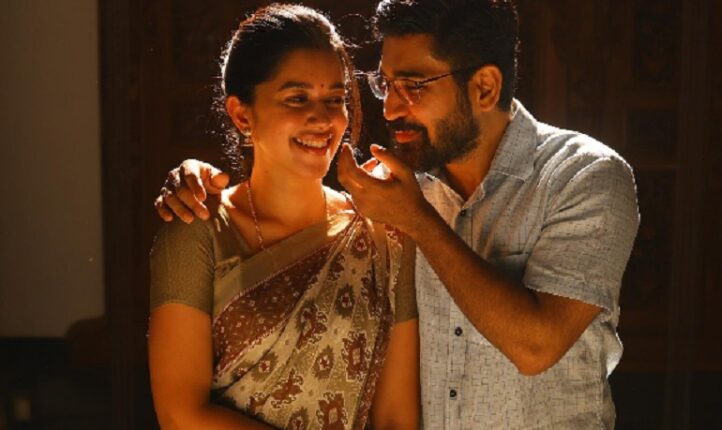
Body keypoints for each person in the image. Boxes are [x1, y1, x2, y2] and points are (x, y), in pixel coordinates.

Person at [155, 0, 640, 428]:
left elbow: (536, 347)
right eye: (385, 85)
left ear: (485, 88)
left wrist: (419, 222)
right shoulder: (395, 193)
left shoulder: (582, 178)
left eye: (412, 86)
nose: (388, 110)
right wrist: (193, 180)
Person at [148, 4, 419, 430]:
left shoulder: (384, 236)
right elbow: (181, 414)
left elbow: (397, 419)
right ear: (242, 115)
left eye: (335, 99)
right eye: (297, 98)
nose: (323, 119)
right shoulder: (198, 231)